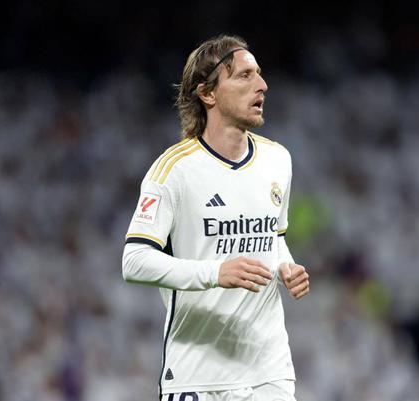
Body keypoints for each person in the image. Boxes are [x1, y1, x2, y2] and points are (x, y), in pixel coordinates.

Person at [122, 34, 310, 401]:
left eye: (259, 74)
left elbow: (274, 236)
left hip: (268, 370)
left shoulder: (278, 160)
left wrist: (285, 266)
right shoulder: (173, 170)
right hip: (196, 374)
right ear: (207, 94)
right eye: (244, 76)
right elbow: (134, 261)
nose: (262, 85)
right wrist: (215, 272)